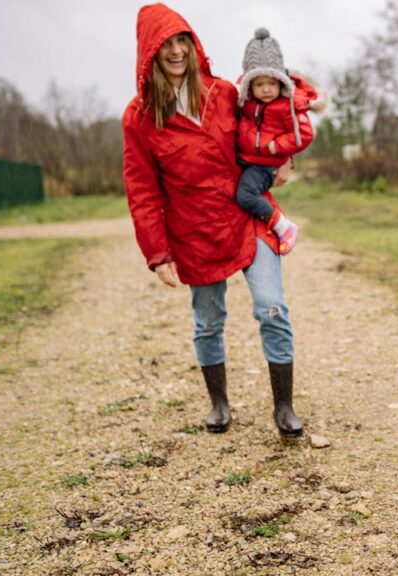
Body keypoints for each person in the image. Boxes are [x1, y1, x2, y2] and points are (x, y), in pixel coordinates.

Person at [123, 3, 303, 438]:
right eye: (166, 44)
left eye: (182, 40)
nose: (176, 51)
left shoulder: (224, 93)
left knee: (271, 307)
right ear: (150, 53)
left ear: (192, 44)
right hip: (195, 233)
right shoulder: (140, 118)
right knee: (207, 321)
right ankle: (219, 404)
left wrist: (286, 156)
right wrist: (157, 251)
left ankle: (284, 407)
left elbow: (274, 109)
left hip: (247, 218)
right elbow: (142, 189)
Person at [235, 27, 317, 256]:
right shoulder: (247, 104)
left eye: (271, 83)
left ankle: (284, 226)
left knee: (246, 195)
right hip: (246, 158)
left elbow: (304, 135)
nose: (266, 89)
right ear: (249, 86)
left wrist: (277, 147)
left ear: (280, 81)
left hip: (265, 165)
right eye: (259, 84)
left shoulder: (286, 105)